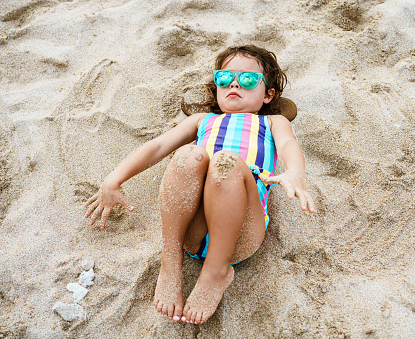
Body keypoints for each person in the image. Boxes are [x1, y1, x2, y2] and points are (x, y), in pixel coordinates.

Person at [84, 45, 317, 325]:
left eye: (247, 79)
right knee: (188, 154)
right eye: (224, 78)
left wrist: (295, 173)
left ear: (268, 94)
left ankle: (216, 270)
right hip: (192, 233)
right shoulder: (202, 120)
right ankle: (170, 262)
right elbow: (157, 146)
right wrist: (114, 179)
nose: (234, 83)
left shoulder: (273, 122)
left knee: (225, 162)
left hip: (241, 233)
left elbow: (289, 144)